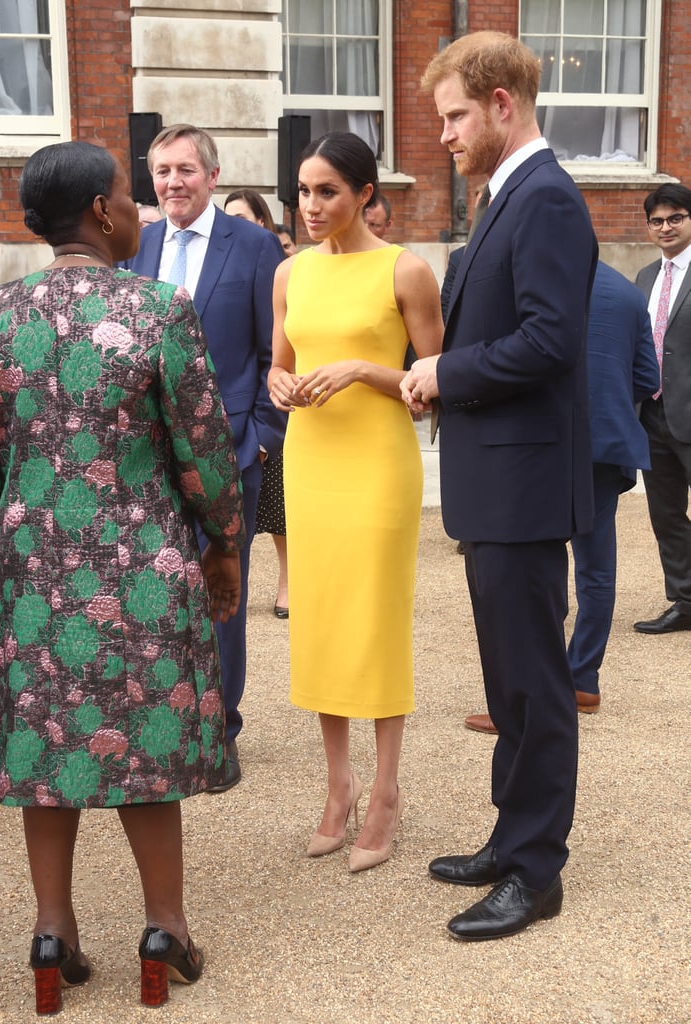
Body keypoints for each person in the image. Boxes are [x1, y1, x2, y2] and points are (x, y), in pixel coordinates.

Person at [0, 140, 244, 1012]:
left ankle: (54, 936)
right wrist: (225, 539)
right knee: (146, 746)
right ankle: (164, 930)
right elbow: (202, 447)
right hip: (139, 573)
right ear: (96, 208)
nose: (137, 210)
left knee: (51, 746)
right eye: (127, 196)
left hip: (32, 571)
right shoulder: (158, 309)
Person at [401, 32, 597, 940]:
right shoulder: (505, 197)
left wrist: (445, 370)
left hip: (522, 486)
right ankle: (509, 834)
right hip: (498, 482)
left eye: (452, 115)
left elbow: (550, 341)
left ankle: (532, 869)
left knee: (533, 682)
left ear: (501, 105)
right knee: (507, 678)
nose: (442, 133)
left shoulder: (546, 198)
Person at [268, 131, 443, 873]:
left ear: (366, 193)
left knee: (371, 616)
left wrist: (364, 372)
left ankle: (387, 791)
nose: (311, 205)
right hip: (308, 459)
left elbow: (431, 389)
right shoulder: (288, 275)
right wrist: (276, 387)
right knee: (321, 620)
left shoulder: (406, 271)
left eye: (327, 191)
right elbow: (279, 368)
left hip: (376, 465)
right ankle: (337, 787)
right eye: (303, 191)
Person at [128, 124, 287, 791]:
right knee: (152, 591)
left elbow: (274, 349)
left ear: (213, 176)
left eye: (185, 170)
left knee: (221, 590)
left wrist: (259, 434)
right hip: (147, 456)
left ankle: (220, 731)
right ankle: (164, 723)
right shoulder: (135, 246)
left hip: (228, 453)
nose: (172, 183)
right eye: (161, 171)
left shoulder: (252, 247)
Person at [464, 260, 660, 733]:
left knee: (531, 569)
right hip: (603, 441)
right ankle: (582, 678)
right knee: (596, 569)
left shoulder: (534, 284)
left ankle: (528, 696)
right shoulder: (630, 293)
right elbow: (648, 379)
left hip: (543, 442)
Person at [223, 189, 290, 617]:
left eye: (243, 218)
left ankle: (289, 579)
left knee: (281, 507)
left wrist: (264, 436)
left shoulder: (275, 261)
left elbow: (274, 348)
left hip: (268, 413)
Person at [632, 183, 691, 635]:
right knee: (666, 514)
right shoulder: (647, 277)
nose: (665, 227)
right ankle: (685, 602)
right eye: (657, 220)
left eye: (675, 218)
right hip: (653, 416)